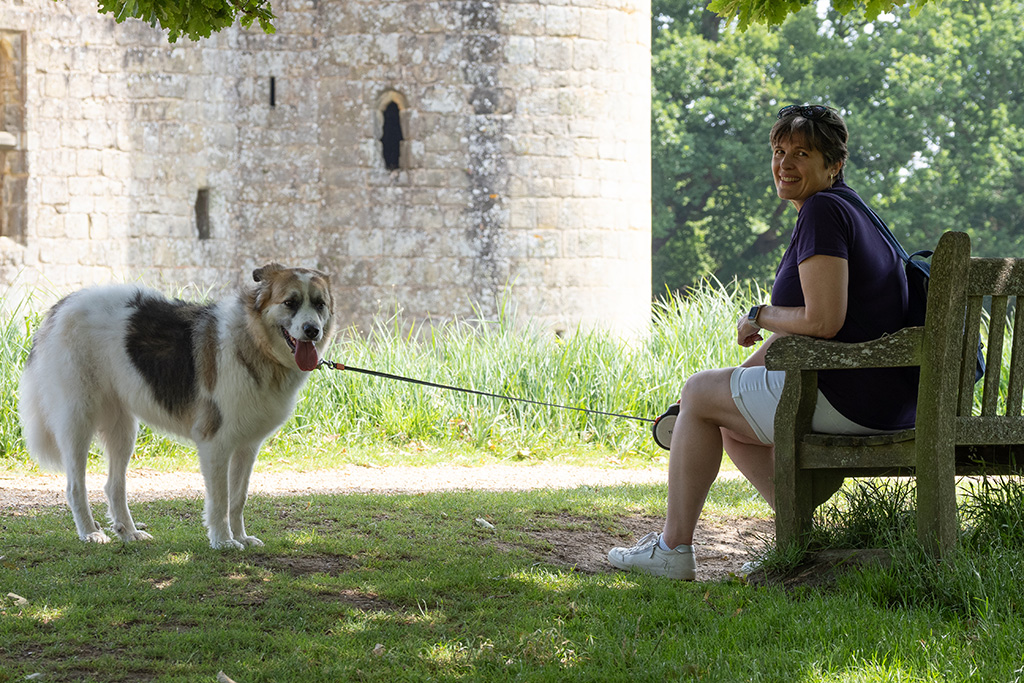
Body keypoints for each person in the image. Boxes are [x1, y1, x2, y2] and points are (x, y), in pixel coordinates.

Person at [608, 105, 918, 580]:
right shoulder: (855, 210)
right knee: (720, 413)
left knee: (696, 392)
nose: (785, 164)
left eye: (802, 153)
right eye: (779, 151)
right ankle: (801, 538)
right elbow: (813, 336)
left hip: (852, 395)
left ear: (833, 163)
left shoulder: (822, 212)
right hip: (889, 398)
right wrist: (743, 373)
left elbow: (823, 322)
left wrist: (758, 314)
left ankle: (672, 549)